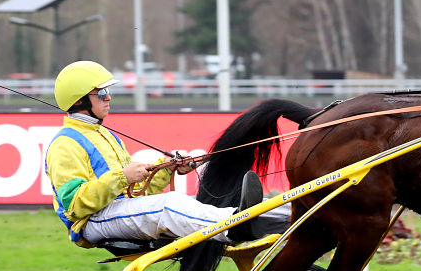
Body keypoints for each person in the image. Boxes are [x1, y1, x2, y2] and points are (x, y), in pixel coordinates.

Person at [45, 60, 288, 247]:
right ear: (79, 102)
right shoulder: (65, 144)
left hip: (118, 212)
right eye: (100, 93)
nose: (108, 97)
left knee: (197, 204)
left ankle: (291, 213)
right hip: (92, 222)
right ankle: (234, 225)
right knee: (169, 206)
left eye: (107, 91)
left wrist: (167, 168)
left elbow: (137, 193)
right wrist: (123, 177)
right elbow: (74, 204)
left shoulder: (106, 135)